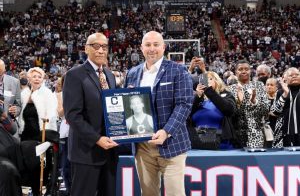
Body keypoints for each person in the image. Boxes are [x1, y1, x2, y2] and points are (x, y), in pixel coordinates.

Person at [125, 31, 193, 196]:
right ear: (141, 48)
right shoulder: (132, 73)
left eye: (156, 45)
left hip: (171, 145)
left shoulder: (178, 70)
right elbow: (127, 106)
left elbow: (184, 104)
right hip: (143, 147)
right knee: (148, 193)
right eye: (148, 45)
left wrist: (166, 131)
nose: (152, 49)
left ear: (163, 47)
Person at [63, 32, 119, 196]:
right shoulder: (74, 75)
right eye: (96, 46)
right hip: (86, 152)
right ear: (86, 49)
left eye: (104, 47)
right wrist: (97, 139)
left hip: (109, 151)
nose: (101, 50)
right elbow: (73, 115)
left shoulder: (109, 75)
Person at [18, 67, 58, 195]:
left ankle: (39, 191)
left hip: (41, 134)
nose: (36, 79)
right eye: (34, 76)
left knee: (38, 166)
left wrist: (48, 117)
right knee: (26, 166)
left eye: (39, 77)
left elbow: (53, 111)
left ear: (43, 79)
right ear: (29, 78)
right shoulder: (23, 94)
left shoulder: (47, 93)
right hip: (25, 134)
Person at [189, 71, 237, 149]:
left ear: (217, 81)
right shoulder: (197, 99)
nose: (206, 82)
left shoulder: (226, 95)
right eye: (204, 80)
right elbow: (187, 114)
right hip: (197, 144)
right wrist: (198, 96)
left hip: (221, 144)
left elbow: (229, 110)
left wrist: (209, 91)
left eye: (210, 79)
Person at [229, 60, 269, 148]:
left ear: (250, 71)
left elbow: (266, 109)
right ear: (236, 72)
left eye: (246, 69)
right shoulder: (230, 89)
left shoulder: (259, 85)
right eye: (240, 69)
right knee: (236, 161)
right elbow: (229, 113)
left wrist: (254, 102)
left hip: (255, 133)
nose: (243, 71)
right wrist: (240, 102)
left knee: (255, 161)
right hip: (235, 135)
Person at [271, 67, 300, 146]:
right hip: (283, 134)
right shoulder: (280, 92)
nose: (294, 76)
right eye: (291, 75)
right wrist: (285, 94)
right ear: (285, 79)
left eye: (297, 74)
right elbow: (275, 111)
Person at [56, 76, 71, 195]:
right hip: (65, 132)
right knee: (66, 164)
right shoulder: (60, 94)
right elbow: (60, 113)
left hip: (80, 133)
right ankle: (69, 189)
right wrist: (70, 99)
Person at [0, 59, 21, 136]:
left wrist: (16, 110)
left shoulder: (15, 82)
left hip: (7, 127)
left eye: (0, 74)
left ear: (4, 71)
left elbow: (18, 105)